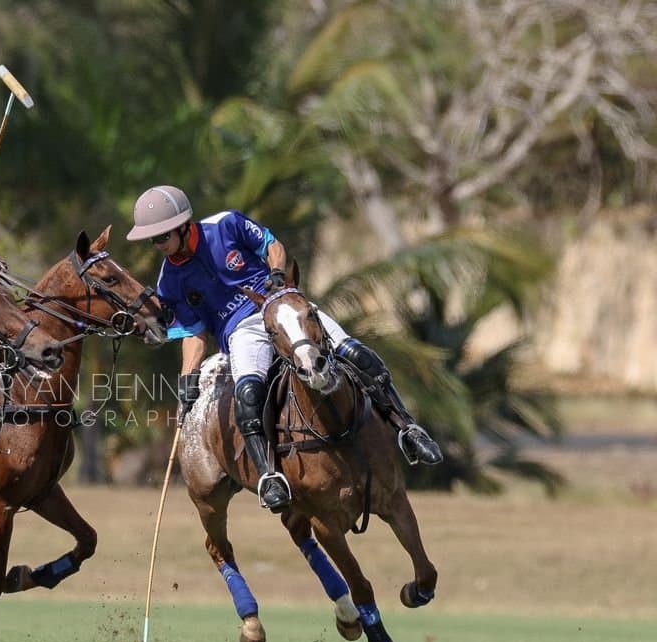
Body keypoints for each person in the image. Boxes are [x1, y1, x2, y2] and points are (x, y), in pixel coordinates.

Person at [126, 185, 442, 512]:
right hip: (241, 332)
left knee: (356, 354)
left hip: (279, 306)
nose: (159, 245)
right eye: (153, 240)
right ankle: (269, 476)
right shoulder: (170, 279)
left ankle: (408, 429)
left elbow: (272, 246)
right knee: (248, 395)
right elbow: (193, 333)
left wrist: (277, 275)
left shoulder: (225, 225)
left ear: (182, 225)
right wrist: (188, 377)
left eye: (162, 237)